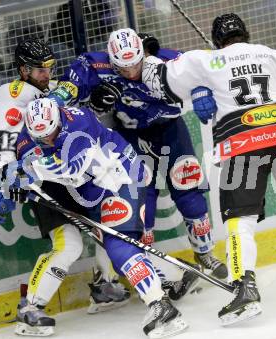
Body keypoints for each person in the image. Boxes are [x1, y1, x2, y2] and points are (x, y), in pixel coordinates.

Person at [141, 13, 276, 326]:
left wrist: (151, 54)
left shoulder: (205, 61)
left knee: (240, 219)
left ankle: (245, 288)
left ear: (217, 41)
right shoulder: (273, 55)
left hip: (241, 146)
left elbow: (159, 82)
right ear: (247, 33)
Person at [0, 97, 189, 338]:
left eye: (52, 132)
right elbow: (27, 164)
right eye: (41, 136)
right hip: (95, 192)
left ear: (59, 118)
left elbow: (71, 172)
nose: (48, 139)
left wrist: (25, 173)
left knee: (118, 244)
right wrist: (11, 181)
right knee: (118, 250)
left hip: (123, 179)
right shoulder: (29, 135)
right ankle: (174, 276)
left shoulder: (79, 123)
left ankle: (160, 305)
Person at [49, 28, 228, 281]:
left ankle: (205, 252)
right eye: (123, 68)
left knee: (190, 195)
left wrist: (202, 90)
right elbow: (63, 101)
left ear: (144, 52)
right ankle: (154, 271)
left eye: (136, 65)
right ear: (111, 61)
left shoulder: (168, 60)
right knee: (143, 204)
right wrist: (91, 104)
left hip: (171, 131)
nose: (132, 73)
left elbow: (210, 68)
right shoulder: (95, 66)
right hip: (131, 136)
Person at [0, 38, 130, 321]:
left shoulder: (52, 91)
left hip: (77, 176)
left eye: (50, 67)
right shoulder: (12, 95)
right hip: (44, 181)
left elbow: (78, 119)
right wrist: (7, 172)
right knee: (69, 245)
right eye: (40, 69)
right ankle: (31, 307)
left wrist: (96, 103)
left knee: (110, 226)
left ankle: (105, 285)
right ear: (24, 70)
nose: (47, 74)